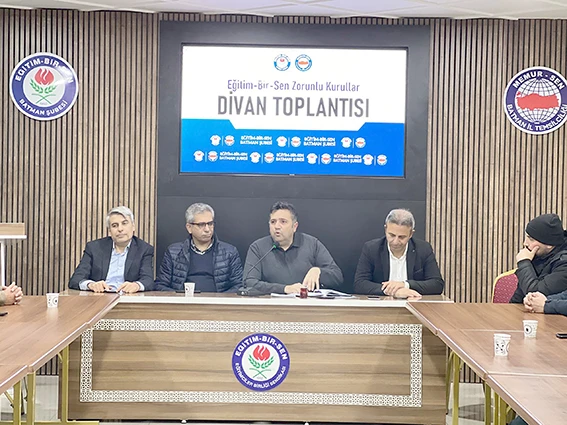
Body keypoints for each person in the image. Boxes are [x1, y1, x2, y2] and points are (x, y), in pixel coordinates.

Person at [243, 201, 343, 295]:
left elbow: (337, 276)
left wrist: (318, 271)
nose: (277, 226)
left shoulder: (312, 244)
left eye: (283, 222)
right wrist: (285, 289)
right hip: (271, 305)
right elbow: (249, 282)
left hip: (306, 305)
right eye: (273, 222)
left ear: (294, 226)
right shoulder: (258, 247)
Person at [353, 208, 444, 298]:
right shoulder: (371, 248)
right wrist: (393, 291)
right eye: (391, 235)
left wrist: (405, 285)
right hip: (382, 304)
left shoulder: (423, 249)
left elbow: (437, 284)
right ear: (385, 229)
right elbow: (360, 284)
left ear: (411, 234)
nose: (395, 241)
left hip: (413, 303)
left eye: (401, 237)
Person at [155, 203, 242, 292]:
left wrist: (219, 298)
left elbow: (239, 285)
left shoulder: (229, 252)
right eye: (201, 225)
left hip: (218, 300)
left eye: (210, 224)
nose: (207, 229)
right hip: (184, 300)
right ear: (189, 227)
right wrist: (180, 297)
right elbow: (160, 285)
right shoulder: (173, 252)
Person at [69, 206, 154, 293]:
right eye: (114, 225)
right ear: (110, 231)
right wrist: (91, 285)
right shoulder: (94, 248)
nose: (120, 229)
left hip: (128, 297)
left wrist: (136, 285)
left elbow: (148, 280)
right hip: (100, 297)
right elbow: (76, 279)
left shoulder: (144, 249)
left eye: (124, 223)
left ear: (133, 227)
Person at [509, 213, 567, 304]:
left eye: (531, 239)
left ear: (549, 244)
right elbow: (518, 299)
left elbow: (535, 295)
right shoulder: (540, 255)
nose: (525, 243)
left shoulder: (564, 264)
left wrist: (524, 262)